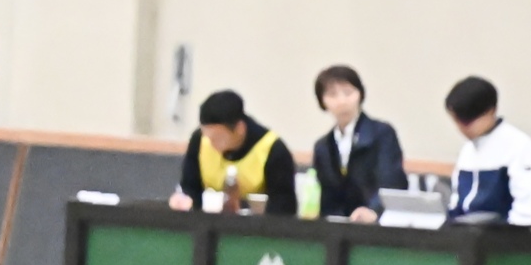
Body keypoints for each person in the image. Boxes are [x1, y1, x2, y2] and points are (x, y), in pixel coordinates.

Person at [168, 91, 297, 217]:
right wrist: (183, 200)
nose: (211, 144)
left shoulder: (273, 150)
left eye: (218, 138)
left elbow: (283, 207)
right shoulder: (199, 141)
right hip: (208, 223)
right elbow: (190, 187)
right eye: (207, 136)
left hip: (257, 226)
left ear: (240, 129)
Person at [444, 75, 531, 229]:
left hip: (503, 237)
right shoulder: (467, 151)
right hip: (465, 236)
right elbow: (457, 204)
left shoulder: (519, 146)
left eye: (468, 121)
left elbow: (527, 215)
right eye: (457, 121)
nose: (462, 128)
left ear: (491, 111)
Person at [310, 64, 406, 222]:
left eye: (348, 93)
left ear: (360, 94)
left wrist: (373, 211)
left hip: (379, 222)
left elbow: (392, 182)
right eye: (332, 95)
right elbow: (326, 195)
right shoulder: (323, 146)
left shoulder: (382, 133)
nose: (342, 101)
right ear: (322, 101)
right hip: (338, 226)